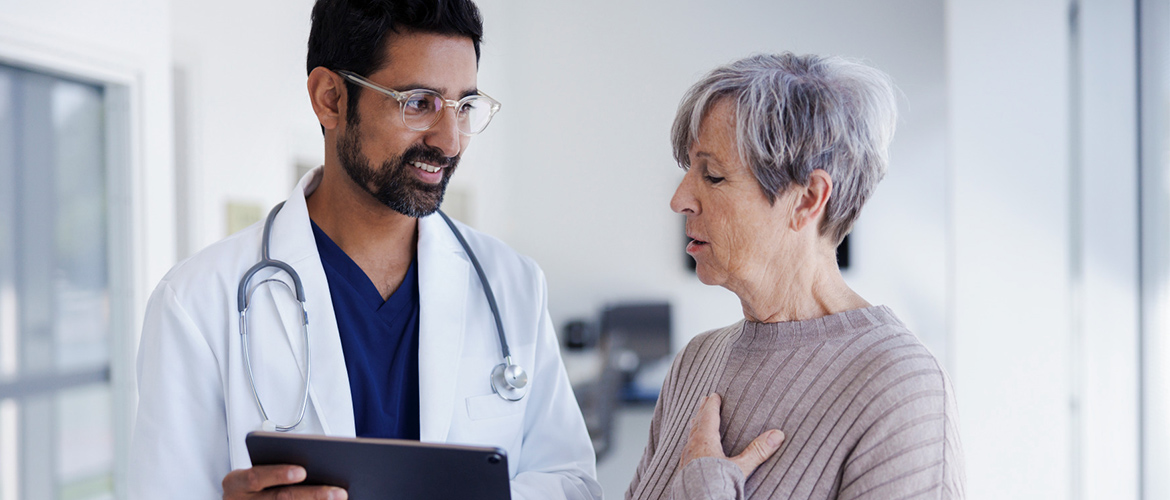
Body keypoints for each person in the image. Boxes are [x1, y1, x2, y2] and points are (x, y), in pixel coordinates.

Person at [128, 1, 601, 498]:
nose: (451, 141)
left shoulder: (512, 284)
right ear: (330, 98)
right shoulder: (197, 302)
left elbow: (573, 482)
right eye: (419, 102)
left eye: (464, 107)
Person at [625, 53, 966, 499]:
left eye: (712, 175)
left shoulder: (902, 387)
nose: (680, 199)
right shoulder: (696, 361)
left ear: (807, 199)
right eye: (688, 170)